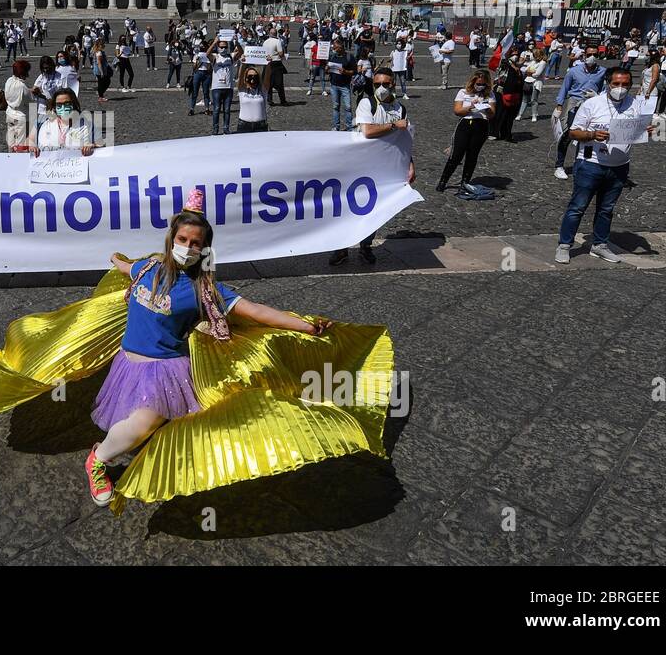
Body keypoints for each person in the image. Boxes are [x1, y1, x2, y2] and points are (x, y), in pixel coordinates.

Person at [67, 192, 343, 507]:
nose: (187, 247)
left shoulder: (206, 291)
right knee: (139, 421)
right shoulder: (146, 269)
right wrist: (115, 259)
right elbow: (124, 267)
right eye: (182, 239)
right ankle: (125, 448)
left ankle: (98, 458)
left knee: (145, 422)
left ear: (204, 249)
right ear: (172, 239)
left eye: (195, 243)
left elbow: (254, 310)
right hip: (128, 362)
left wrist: (304, 326)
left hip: (165, 371)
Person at [554, 67, 655, 265]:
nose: (621, 88)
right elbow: (573, 133)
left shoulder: (635, 105)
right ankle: (564, 245)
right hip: (590, 164)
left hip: (619, 166)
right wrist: (592, 135)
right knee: (577, 207)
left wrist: (647, 131)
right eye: (616, 84)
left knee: (606, 209)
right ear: (608, 84)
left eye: (625, 84)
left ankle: (599, 245)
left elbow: (636, 131)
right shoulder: (592, 104)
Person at [330, 67, 414, 265]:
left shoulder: (400, 108)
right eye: (377, 84)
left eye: (386, 84)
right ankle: (341, 248)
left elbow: (404, 139)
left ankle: (365, 246)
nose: (382, 88)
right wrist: (394, 126)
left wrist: (410, 164)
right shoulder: (366, 104)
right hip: (360, 165)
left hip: (384, 167)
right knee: (349, 209)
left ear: (393, 83)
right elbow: (367, 131)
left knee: (376, 209)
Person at [552, 46, 606, 179]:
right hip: (574, 103)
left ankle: (580, 165)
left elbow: (605, 90)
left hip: (592, 104)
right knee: (568, 134)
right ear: (584, 55)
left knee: (587, 136)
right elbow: (565, 88)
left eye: (594, 54)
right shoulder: (574, 71)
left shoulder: (603, 72)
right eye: (589, 54)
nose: (591, 57)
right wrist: (559, 105)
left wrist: (597, 95)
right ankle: (559, 165)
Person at [436, 69, 494, 192]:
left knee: (472, 156)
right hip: (466, 124)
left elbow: (492, 115)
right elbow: (457, 111)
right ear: (473, 82)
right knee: (456, 155)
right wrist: (470, 106)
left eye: (483, 84)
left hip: (481, 125)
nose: (480, 86)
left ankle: (465, 182)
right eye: (478, 84)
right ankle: (443, 180)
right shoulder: (463, 92)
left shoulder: (490, 94)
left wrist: (486, 107)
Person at [34, 88, 95, 154]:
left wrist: (92, 146)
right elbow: (30, 140)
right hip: (47, 162)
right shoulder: (42, 122)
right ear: (54, 106)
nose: (63, 107)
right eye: (59, 105)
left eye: (67, 104)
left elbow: (100, 145)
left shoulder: (86, 125)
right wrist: (31, 146)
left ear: (73, 104)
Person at [206, 36, 235, 135]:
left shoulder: (230, 57)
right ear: (218, 47)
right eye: (221, 47)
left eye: (225, 47)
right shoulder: (215, 57)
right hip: (217, 88)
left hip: (228, 87)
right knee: (216, 109)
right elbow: (207, 54)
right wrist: (214, 43)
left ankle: (226, 128)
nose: (223, 49)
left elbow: (240, 52)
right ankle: (215, 128)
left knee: (227, 110)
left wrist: (236, 41)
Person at [3, 60, 31, 151]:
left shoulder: (9, 80)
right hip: (21, 117)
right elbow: (30, 102)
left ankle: (10, 156)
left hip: (10, 114)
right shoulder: (22, 86)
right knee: (21, 144)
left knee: (11, 141)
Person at [326, 39, 353, 132]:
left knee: (348, 107)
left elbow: (354, 71)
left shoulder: (349, 57)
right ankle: (336, 127)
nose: (333, 48)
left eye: (335, 47)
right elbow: (328, 70)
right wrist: (327, 69)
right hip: (334, 85)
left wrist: (345, 72)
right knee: (335, 106)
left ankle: (349, 127)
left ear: (341, 47)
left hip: (345, 86)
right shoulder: (333, 56)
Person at [235, 66, 268, 133]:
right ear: (246, 78)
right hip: (244, 125)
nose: (252, 79)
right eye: (250, 76)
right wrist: (243, 64)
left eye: (255, 76)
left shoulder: (262, 90)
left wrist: (268, 64)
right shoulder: (242, 90)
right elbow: (240, 76)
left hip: (261, 125)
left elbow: (267, 76)